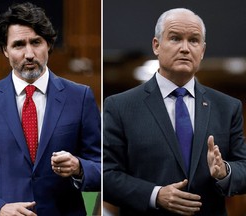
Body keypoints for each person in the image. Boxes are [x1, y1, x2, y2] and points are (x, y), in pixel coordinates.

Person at [0, 2, 101, 216]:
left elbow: (101, 167)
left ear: (49, 45)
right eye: (18, 45)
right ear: (5, 50)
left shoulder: (80, 97)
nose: (30, 54)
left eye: (36, 42)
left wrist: (79, 167)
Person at [103, 8, 246, 215]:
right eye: (175, 38)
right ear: (156, 45)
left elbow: (243, 167)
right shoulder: (120, 106)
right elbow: (106, 175)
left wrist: (225, 172)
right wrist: (155, 195)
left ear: (203, 50)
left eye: (194, 40)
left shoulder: (227, 107)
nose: (185, 48)